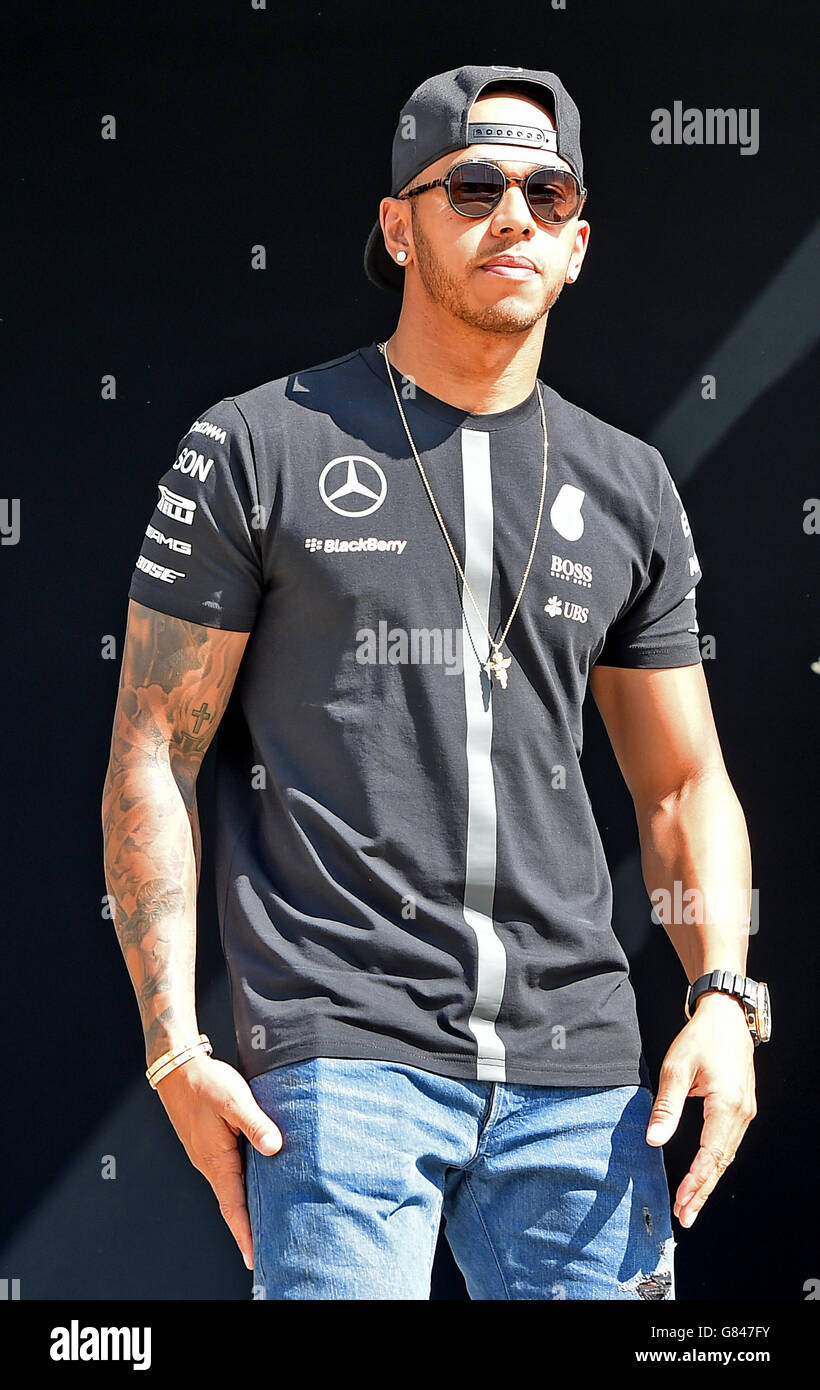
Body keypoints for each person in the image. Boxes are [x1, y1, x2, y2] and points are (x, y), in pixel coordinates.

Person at [101, 64, 769, 1301]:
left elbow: (682, 785)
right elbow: (154, 748)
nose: (513, 214)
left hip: (583, 1078)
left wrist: (722, 994)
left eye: (547, 191)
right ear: (398, 224)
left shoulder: (629, 484)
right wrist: (174, 1052)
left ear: (577, 244)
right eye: (473, 184)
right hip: (341, 1057)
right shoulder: (259, 443)